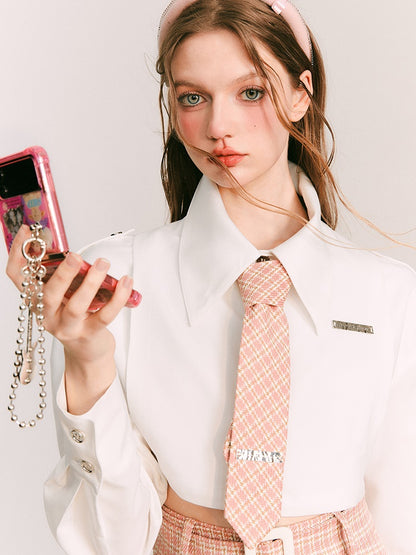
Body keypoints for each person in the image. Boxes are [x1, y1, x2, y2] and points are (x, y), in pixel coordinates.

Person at [6, 0, 416, 553]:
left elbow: (399, 508)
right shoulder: (114, 283)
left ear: (301, 93)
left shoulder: (387, 295)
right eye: (192, 97)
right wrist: (87, 359)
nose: (218, 126)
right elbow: (114, 540)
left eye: (251, 92)